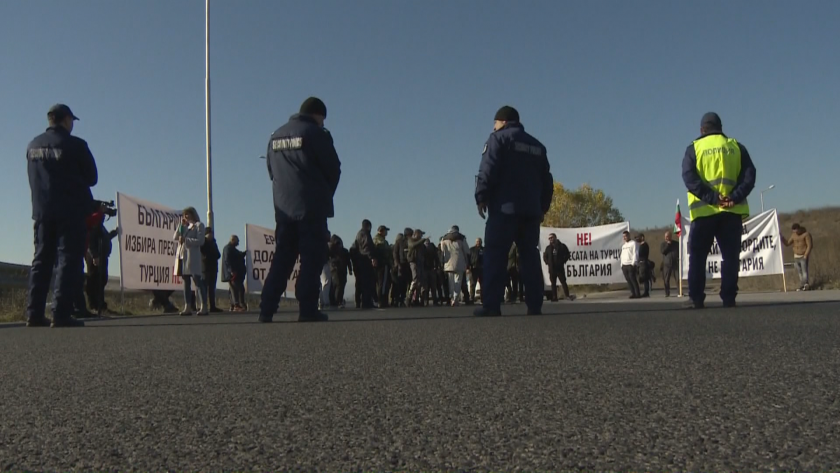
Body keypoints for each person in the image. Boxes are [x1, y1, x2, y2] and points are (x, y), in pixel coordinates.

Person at [259, 97, 341, 322]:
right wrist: (324, 195)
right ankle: (307, 309)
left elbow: (271, 172)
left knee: (282, 259)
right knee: (311, 259)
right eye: (323, 119)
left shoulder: (275, 136)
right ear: (318, 114)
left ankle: (266, 309)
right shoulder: (315, 133)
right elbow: (334, 169)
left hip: (284, 209)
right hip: (311, 208)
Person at [473, 106, 553, 317]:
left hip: (504, 209)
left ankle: (491, 305)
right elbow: (547, 180)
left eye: (495, 123)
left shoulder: (497, 139)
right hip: (531, 211)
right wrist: (542, 207)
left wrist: (481, 196)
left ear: (503, 122)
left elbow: (487, 169)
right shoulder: (537, 146)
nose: (493, 127)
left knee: (495, 256)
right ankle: (535, 305)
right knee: (530, 256)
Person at [26, 104, 97, 328]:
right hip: (70, 211)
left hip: (42, 211)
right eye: (72, 120)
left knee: (41, 260)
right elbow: (92, 177)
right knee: (68, 259)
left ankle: (34, 313)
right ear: (66, 120)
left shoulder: (32, 145)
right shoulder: (76, 145)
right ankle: (61, 313)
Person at [682, 112, 756, 309]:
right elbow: (749, 176)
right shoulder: (736, 147)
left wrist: (713, 198)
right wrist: (734, 197)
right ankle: (729, 298)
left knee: (698, 257)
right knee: (730, 256)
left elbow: (689, 178)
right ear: (721, 128)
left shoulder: (694, 148)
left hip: (704, 213)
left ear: (702, 129)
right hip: (731, 212)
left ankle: (696, 298)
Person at [173, 207, 208, 316]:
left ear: (193, 214)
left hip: (192, 257)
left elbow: (200, 241)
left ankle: (204, 306)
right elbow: (175, 237)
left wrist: (186, 240)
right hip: (182, 256)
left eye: (188, 214)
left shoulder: (199, 225)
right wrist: (180, 225)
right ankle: (187, 306)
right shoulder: (185, 227)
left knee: (197, 281)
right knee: (186, 282)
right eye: (184, 215)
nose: (186, 217)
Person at [441, 225, 470, 306]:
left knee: (451, 283)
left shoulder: (444, 238)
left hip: (448, 263)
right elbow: (467, 251)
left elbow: (442, 250)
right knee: (458, 281)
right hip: (460, 262)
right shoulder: (461, 238)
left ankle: (451, 298)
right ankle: (455, 298)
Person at [351, 219, 377, 309]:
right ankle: (366, 302)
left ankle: (359, 301)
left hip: (359, 261)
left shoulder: (359, 234)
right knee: (367, 282)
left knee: (360, 282)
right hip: (365, 261)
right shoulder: (365, 234)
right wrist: (372, 258)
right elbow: (367, 247)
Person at [782, 223, 813, 291]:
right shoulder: (793, 235)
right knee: (799, 272)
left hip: (803, 255)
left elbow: (809, 245)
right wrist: (782, 238)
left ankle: (806, 284)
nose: (796, 233)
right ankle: (802, 285)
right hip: (796, 256)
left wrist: (806, 254)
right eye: (794, 231)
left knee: (804, 271)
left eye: (796, 231)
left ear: (799, 229)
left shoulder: (806, 234)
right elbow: (787, 243)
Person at [543, 233, 573, 301]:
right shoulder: (548, 248)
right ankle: (554, 297)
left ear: (555, 237)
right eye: (549, 238)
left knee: (563, 282)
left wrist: (563, 261)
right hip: (552, 269)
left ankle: (567, 295)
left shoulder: (562, 246)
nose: (550, 239)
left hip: (559, 268)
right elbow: (545, 256)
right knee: (553, 283)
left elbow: (567, 254)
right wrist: (547, 262)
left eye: (552, 237)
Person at [222, 235, 247, 312]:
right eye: (237, 241)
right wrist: (231, 270)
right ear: (233, 240)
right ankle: (236, 305)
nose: (238, 242)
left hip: (235, 273)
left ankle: (233, 305)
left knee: (234, 289)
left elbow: (239, 255)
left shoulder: (232, 249)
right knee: (238, 289)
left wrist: (246, 252)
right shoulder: (228, 248)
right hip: (233, 274)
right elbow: (227, 260)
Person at [200, 227, 222, 312]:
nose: (211, 235)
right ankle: (204, 305)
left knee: (212, 288)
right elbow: (205, 254)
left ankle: (212, 306)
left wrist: (213, 251)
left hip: (213, 268)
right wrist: (212, 253)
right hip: (206, 268)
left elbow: (218, 255)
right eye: (210, 233)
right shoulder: (203, 243)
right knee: (205, 287)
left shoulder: (214, 243)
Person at [328, 234, 353, 308]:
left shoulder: (344, 251)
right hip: (335, 270)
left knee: (341, 285)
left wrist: (350, 269)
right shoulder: (332, 251)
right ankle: (336, 301)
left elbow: (348, 261)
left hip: (342, 269)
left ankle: (338, 300)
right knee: (337, 284)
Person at [373, 225, 393, 308]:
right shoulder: (379, 240)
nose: (386, 232)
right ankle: (382, 301)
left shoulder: (378, 240)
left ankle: (382, 300)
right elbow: (384, 250)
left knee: (382, 283)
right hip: (383, 263)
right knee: (383, 283)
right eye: (385, 231)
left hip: (380, 264)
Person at [620, 231, 641, 299]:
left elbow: (635, 253)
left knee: (633, 279)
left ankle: (637, 294)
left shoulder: (633, 243)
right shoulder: (623, 246)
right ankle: (633, 293)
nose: (624, 238)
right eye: (623, 236)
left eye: (625, 236)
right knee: (628, 280)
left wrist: (633, 263)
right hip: (624, 265)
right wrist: (621, 264)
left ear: (629, 236)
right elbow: (622, 255)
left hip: (630, 264)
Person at [660, 231, 680, 297]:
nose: (666, 238)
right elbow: (663, 251)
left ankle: (679, 292)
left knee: (678, 278)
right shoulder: (663, 244)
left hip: (675, 263)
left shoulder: (676, 244)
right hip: (667, 264)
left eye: (668, 236)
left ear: (670, 236)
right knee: (666, 279)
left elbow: (679, 251)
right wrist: (668, 245)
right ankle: (667, 293)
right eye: (665, 236)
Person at [468, 238, 484, 303]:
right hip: (474, 268)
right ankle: (471, 298)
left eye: (479, 241)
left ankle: (483, 299)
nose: (478, 242)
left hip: (482, 268)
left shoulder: (484, 250)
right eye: (477, 241)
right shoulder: (472, 250)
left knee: (483, 284)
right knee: (472, 284)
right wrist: (468, 267)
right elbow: (468, 258)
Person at [637, 233, 652, 298]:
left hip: (644, 262)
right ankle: (645, 291)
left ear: (642, 237)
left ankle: (646, 292)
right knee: (643, 277)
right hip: (641, 262)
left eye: (639, 237)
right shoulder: (640, 245)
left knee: (645, 277)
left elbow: (643, 254)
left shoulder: (645, 245)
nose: (638, 239)